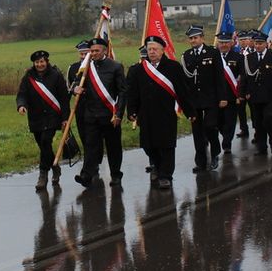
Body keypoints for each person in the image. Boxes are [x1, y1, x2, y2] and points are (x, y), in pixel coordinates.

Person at [127, 36, 195, 189]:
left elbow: (182, 91)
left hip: (165, 114)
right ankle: (157, 167)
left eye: (155, 49)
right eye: (149, 49)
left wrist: (190, 111)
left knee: (166, 146)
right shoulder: (137, 70)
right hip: (146, 115)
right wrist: (131, 111)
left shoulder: (173, 67)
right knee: (148, 145)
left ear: (162, 50)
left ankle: (166, 176)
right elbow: (133, 93)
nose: (151, 52)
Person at [72, 37, 127, 188]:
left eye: (96, 50)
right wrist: (75, 89)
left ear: (104, 50)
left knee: (113, 147)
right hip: (90, 115)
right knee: (90, 146)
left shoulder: (116, 67)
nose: (93, 53)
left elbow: (122, 93)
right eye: (92, 51)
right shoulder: (86, 67)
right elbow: (76, 83)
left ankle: (115, 174)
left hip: (110, 115)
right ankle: (87, 175)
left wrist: (119, 114)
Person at [16, 50, 70, 190]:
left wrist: (65, 118)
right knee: (43, 146)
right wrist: (21, 105)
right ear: (34, 63)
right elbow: (22, 94)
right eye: (37, 62)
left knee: (46, 141)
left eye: (42, 61)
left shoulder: (56, 75)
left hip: (52, 116)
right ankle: (55, 166)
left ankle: (43, 176)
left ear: (46, 61)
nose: (40, 64)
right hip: (36, 117)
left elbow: (64, 98)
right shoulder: (28, 77)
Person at [181, 24, 229, 172]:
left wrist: (223, 97)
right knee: (197, 132)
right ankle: (200, 161)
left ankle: (215, 152)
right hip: (195, 100)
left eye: (195, 38)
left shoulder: (213, 53)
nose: (193, 41)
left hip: (211, 98)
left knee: (209, 126)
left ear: (202, 38)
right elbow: (185, 81)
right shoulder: (186, 56)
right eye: (191, 38)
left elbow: (219, 77)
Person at [240, 29, 272, 155]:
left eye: (260, 43)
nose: (258, 46)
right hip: (254, 95)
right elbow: (245, 77)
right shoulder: (248, 58)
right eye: (256, 43)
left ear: (266, 44)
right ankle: (262, 146)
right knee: (258, 122)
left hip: (269, 94)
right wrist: (242, 93)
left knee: (268, 118)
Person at [215, 31, 242, 151]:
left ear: (231, 43)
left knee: (230, 121)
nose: (223, 45)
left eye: (226, 42)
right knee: (219, 121)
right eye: (221, 42)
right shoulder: (213, 57)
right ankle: (225, 135)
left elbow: (243, 78)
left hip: (232, 95)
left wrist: (239, 94)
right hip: (217, 96)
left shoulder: (238, 57)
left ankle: (227, 143)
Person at [235, 30, 253, 137]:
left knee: (254, 110)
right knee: (240, 110)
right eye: (240, 40)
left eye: (244, 40)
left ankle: (257, 129)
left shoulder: (253, 53)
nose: (242, 42)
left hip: (251, 86)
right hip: (240, 86)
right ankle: (243, 129)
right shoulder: (238, 54)